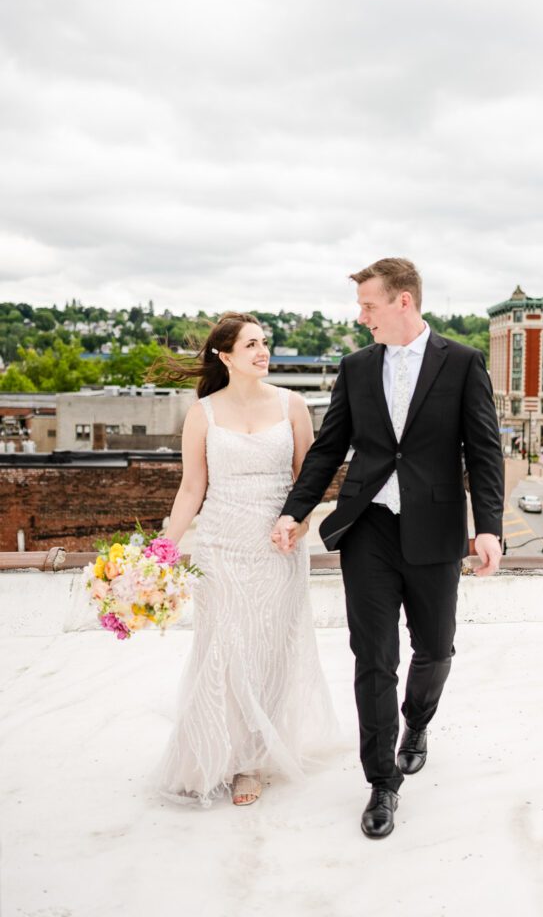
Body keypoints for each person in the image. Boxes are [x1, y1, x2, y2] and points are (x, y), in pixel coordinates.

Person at [272, 259, 504, 838]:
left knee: (435, 649)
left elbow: (484, 451)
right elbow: (328, 449)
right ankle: (381, 784)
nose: (361, 317)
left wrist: (490, 527)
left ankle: (417, 722)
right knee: (373, 659)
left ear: (404, 302)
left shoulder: (464, 362)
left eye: (368, 306)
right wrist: (294, 511)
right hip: (368, 528)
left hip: (435, 530)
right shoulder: (354, 368)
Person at [153, 312, 338, 807]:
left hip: (278, 549)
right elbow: (192, 487)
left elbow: (309, 478)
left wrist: (297, 525)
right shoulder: (203, 413)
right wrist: (165, 547)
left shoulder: (293, 404)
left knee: (271, 651)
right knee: (226, 651)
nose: (263, 351)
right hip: (221, 547)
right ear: (225, 355)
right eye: (251, 344)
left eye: (265, 342)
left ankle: (251, 761)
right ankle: (220, 752)